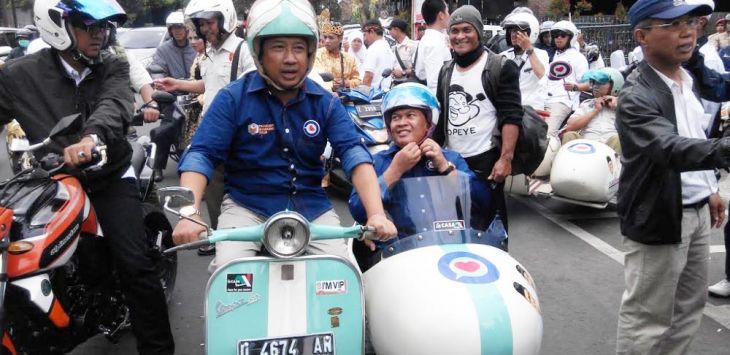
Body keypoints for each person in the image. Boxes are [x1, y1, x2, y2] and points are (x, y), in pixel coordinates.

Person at [0, 1, 175, 354]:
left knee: (135, 265)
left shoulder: (112, 64)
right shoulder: (18, 75)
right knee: (19, 247)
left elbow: (115, 105)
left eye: (102, 27)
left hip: (109, 174)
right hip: (54, 177)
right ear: (57, 25)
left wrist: (90, 138)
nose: (99, 34)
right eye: (89, 25)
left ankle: (157, 349)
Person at [171, 0, 397, 272]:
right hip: (247, 207)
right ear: (259, 51)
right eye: (278, 47)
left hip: (312, 207)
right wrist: (189, 213)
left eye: (299, 48)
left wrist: (375, 214)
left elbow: (353, 153)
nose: (290, 58)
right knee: (228, 275)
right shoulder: (232, 98)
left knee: (342, 274)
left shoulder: (326, 102)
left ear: (310, 53)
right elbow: (201, 154)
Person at [615, 1, 730, 353]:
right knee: (646, 321)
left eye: (691, 22)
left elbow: (691, 133)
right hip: (658, 215)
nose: (688, 31)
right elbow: (670, 149)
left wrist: (709, 187)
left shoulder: (687, 75)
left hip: (696, 212)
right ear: (642, 36)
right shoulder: (636, 94)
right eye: (672, 24)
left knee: (688, 313)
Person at [155, 0, 254, 256]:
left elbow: (253, 92)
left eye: (210, 22)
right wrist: (176, 84)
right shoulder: (210, 53)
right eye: (201, 24)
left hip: (240, 136)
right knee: (213, 191)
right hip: (214, 135)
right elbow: (208, 86)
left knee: (242, 193)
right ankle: (221, 239)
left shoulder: (244, 50)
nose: (205, 29)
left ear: (225, 19)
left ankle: (239, 245)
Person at [348, 83, 476, 249]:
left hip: (449, 248)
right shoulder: (377, 162)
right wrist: (394, 171)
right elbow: (357, 209)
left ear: (428, 124)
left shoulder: (450, 158)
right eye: (395, 117)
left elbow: (480, 203)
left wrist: (445, 168)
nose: (402, 123)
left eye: (410, 115)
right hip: (397, 252)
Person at [434, 5, 522, 232]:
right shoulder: (446, 71)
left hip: (486, 164)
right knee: (453, 227)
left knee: (489, 230)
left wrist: (506, 158)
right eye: (454, 31)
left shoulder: (501, 67)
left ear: (479, 32)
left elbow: (511, 116)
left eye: (466, 30)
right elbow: (443, 117)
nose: (460, 36)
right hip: (451, 162)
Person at [561, 68, 623, 154]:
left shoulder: (624, 104)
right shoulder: (586, 104)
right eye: (594, 83)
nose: (595, 86)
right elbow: (570, 126)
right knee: (569, 135)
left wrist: (618, 107)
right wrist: (595, 110)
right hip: (586, 148)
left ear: (614, 85)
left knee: (618, 139)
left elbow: (636, 127)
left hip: (610, 151)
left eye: (600, 83)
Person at [544, 20, 589, 134]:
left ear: (571, 37)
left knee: (547, 133)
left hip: (563, 101)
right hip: (542, 99)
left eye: (563, 35)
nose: (558, 38)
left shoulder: (578, 58)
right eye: (555, 35)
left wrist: (575, 87)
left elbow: (589, 84)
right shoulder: (548, 55)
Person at [500, 9, 549, 111]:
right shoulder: (503, 56)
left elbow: (541, 75)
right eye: (511, 31)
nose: (513, 35)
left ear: (530, 33)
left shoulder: (540, 54)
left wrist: (529, 49)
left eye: (518, 31)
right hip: (509, 108)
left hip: (531, 110)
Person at [413, 0, 452, 94]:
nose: (449, 15)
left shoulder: (429, 38)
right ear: (441, 15)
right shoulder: (434, 43)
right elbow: (435, 83)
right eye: (447, 11)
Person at [313, 21, 361, 91]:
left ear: (340, 39)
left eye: (331, 38)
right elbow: (316, 77)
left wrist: (346, 83)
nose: (326, 41)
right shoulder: (317, 55)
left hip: (344, 99)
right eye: (325, 37)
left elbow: (358, 81)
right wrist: (332, 84)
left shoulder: (349, 59)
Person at [361, 19, 395, 89]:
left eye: (365, 35)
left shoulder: (373, 49)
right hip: (384, 92)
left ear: (372, 32)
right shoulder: (387, 47)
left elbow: (368, 76)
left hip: (373, 95)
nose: (364, 38)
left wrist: (363, 95)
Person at [388, 18, 418, 86]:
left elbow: (418, 69)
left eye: (390, 29)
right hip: (395, 85)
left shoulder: (413, 46)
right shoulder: (393, 48)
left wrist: (403, 73)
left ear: (396, 29)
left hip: (410, 86)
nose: (389, 32)